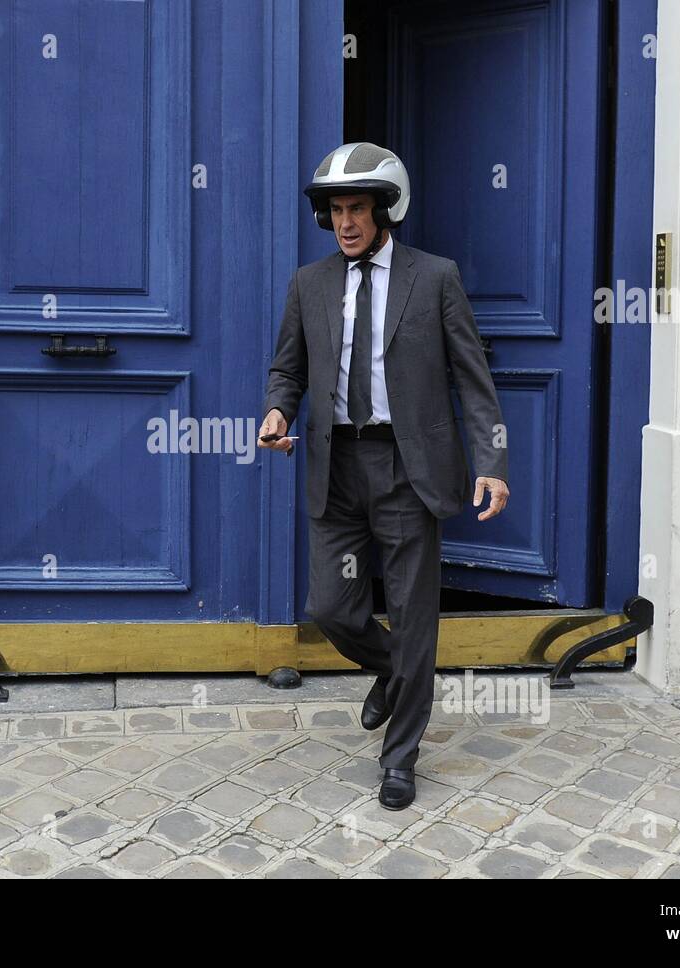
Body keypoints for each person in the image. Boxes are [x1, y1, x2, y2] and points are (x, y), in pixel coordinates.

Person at [259, 142, 509, 810]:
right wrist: (278, 412)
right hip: (336, 466)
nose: (345, 222)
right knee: (328, 607)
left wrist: (491, 462)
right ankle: (397, 674)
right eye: (336, 210)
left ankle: (400, 759)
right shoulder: (307, 284)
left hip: (406, 468)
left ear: (384, 211)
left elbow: (472, 379)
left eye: (357, 209)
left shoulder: (434, 278)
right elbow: (287, 368)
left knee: (413, 614)